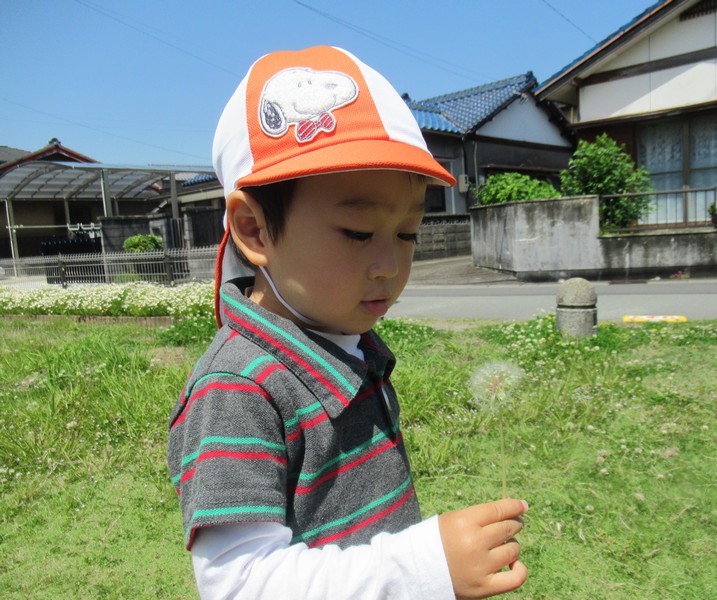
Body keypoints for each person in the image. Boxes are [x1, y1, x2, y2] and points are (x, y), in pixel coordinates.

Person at [167, 46, 528, 599]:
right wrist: (423, 569)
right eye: (358, 234)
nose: (390, 266)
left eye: (407, 234)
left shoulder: (345, 341)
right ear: (255, 230)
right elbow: (240, 584)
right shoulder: (238, 390)